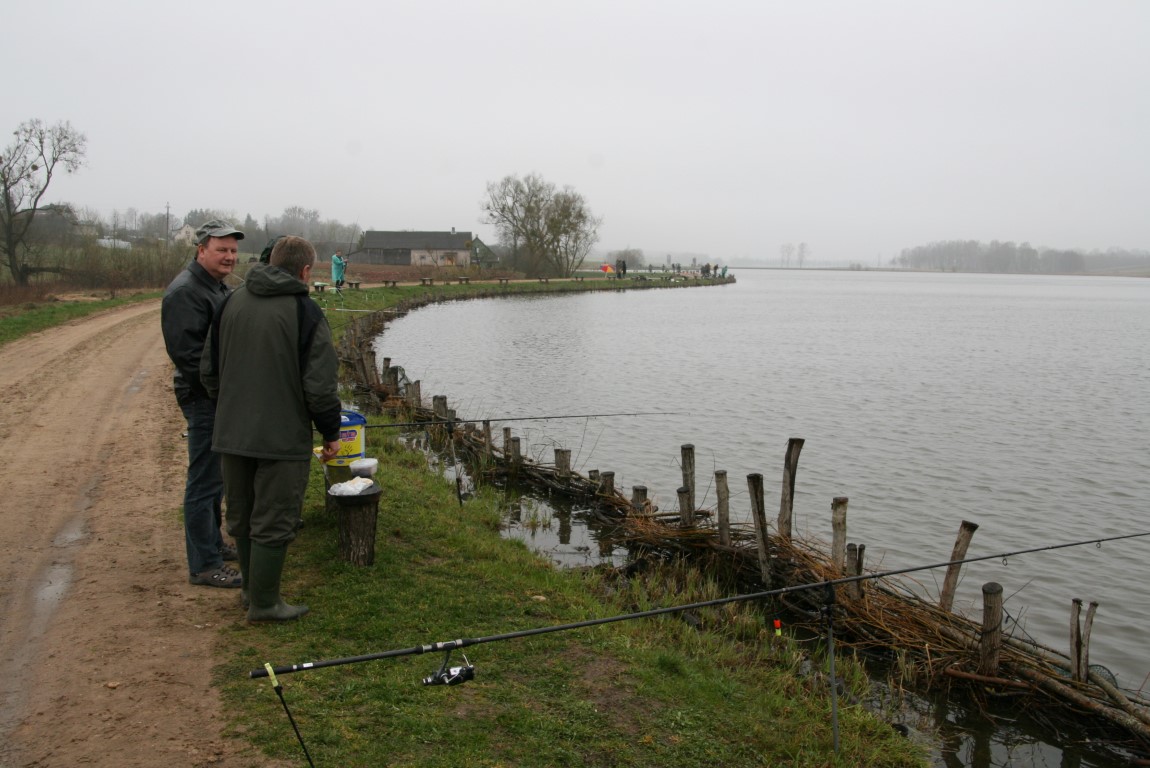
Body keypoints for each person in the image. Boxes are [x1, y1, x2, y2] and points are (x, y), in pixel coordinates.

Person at [202, 235, 341, 622]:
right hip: (281, 439)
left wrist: (229, 408)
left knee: (242, 515)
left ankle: (250, 592)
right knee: (274, 519)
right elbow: (320, 386)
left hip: (232, 433)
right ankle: (265, 604)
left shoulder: (230, 301)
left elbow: (208, 371)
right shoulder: (306, 312)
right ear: (305, 270)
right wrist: (330, 432)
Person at [161, 220, 244, 588]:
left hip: (217, 397)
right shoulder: (186, 292)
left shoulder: (213, 286)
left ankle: (214, 544)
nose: (229, 257)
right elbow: (190, 358)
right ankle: (204, 565)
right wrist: (221, 394)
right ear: (201, 250)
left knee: (215, 480)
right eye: (222, 250)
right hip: (204, 398)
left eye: (233, 251)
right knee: (203, 482)